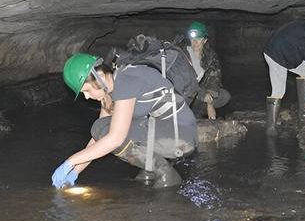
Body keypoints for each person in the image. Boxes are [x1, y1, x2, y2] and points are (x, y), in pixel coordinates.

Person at [51, 53, 197, 189]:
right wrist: (75, 171)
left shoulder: (126, 81)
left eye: (87, 90)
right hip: (164, 130)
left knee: (112, 133)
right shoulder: (110, 91)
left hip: (182, 135)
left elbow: (115, 138)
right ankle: (150, 169)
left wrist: (70, 161)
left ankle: (166, 175)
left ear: (100, 76)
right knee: (100, 127)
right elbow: (98, 136)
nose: (87, 97)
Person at [177, 21, 230, 120]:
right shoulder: (181, 54)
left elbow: (215, 79)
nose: (195, 42)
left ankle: (197, 112)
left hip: (198, 94)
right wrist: (203, 96)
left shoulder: (210, 57)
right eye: (193, 39)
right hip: (183, 93)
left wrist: (209, 99)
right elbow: (184, 83)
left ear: (205, 40)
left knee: (224, 96)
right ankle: (187, 113)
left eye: (199, 39)